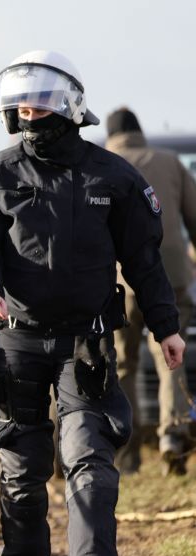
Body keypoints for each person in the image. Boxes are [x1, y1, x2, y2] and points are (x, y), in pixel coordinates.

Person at [0, 51, 184, 556]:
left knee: (90, 457)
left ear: (68, 105)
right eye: (20, 105)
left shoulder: (113, 176)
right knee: (22, 466)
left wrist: (166, 327)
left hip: (87, 344)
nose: (29, 113)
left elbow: (144, 261)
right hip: (16, 343)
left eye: (39, 102)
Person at [105, 107, 196, 475]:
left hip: (118, 280)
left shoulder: (103, 163)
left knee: (122, 362)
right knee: (169, 355)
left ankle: (126, 454)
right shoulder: (171, 162)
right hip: (171, 273)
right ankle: (172, 435)